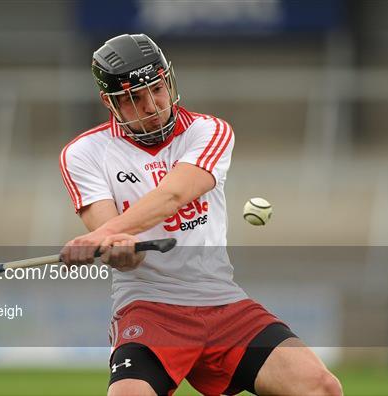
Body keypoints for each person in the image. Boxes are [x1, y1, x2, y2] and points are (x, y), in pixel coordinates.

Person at [59, 33, 342, 396]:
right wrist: (115, 247)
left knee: (320, 387)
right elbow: (114, 240)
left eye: (158, 88)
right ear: (109, 102)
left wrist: (103, 236)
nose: (152, 106)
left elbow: (173, 194)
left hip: (221, 302)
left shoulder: (208, 131)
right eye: (133, 98)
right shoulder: (84, 153)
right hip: (149, 305)